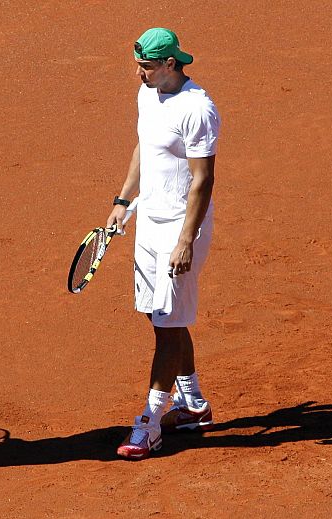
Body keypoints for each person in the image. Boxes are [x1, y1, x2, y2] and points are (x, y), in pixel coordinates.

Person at [108, 28, 221, 460]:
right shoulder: (147, 94)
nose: (139, 73)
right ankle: (193, 405)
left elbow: (202, 179)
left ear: (171, 64)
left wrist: (186, 240)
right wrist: (123, 199)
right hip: (148, 222)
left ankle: (150, 422)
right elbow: (144, 146)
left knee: (169, 325)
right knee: (162, 320)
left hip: (180, 229)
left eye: (148, 66)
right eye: (137, 64)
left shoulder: (198, 109)